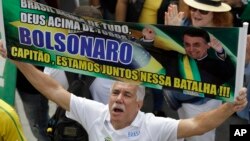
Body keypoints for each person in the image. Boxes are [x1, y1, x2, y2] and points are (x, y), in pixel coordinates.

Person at [0, 40, 248, 141]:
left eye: (127, 94)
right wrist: (18, 60)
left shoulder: (152, 126)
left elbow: (197, 125)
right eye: (115, 92)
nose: (118, 98)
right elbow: (53, 90)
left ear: (139, 104)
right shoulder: (95, 112)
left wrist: (230, 107)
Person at [164, 0, 237, 141]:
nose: (196, 13)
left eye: (203, 11)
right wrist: (172, 31)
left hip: (203, 101)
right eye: (193, 8)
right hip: (181, 94)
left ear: (215, 14)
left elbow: (228, 71)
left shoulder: (223, 38)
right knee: (185, 132)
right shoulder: (186, 26)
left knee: (200, 137)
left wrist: (220, 51)